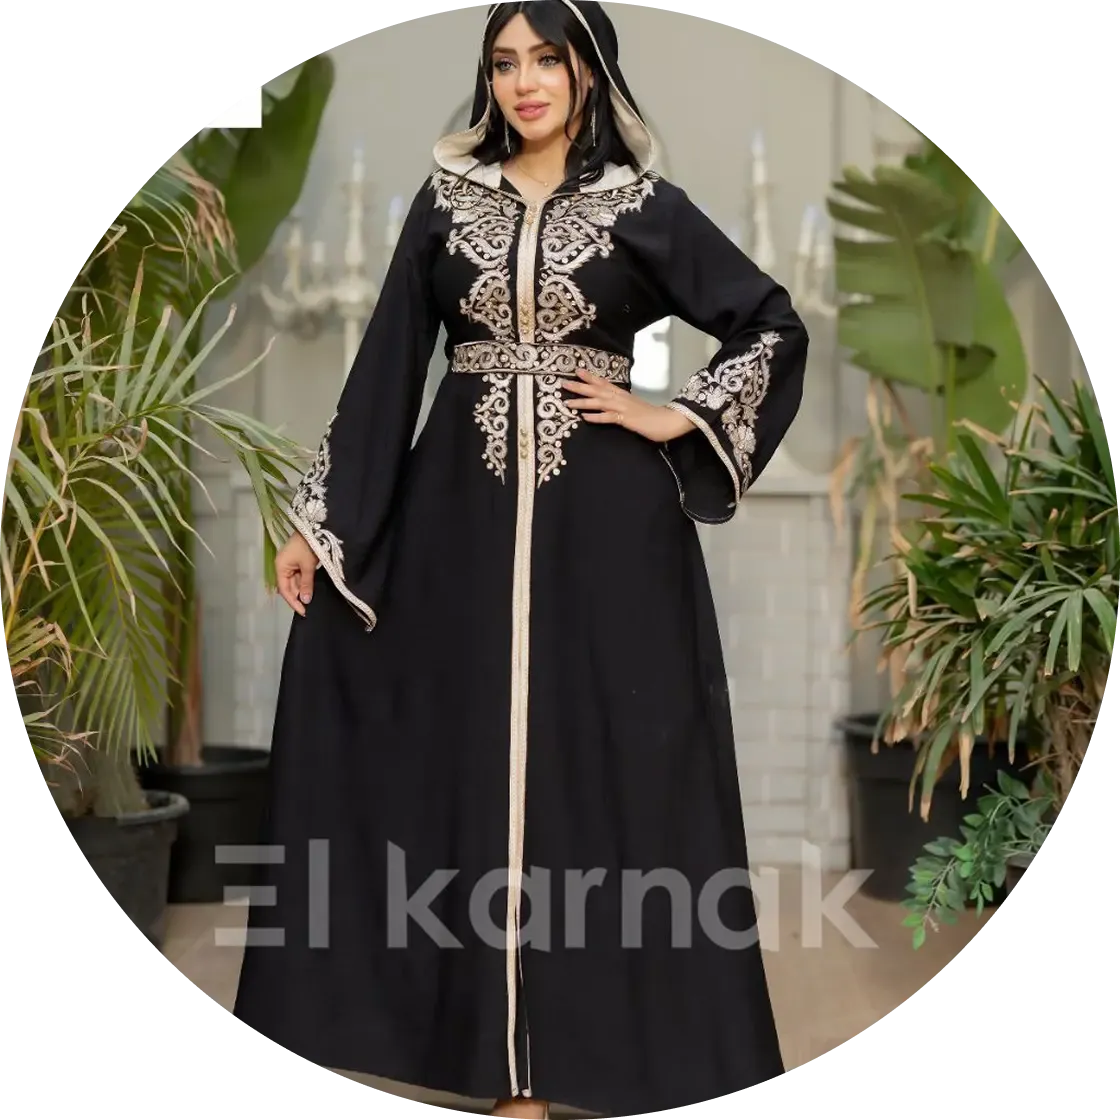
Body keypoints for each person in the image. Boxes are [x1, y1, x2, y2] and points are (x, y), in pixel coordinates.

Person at [231, 1, 809, 1115]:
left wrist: (674, 414)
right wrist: (318, 521)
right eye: (504, 62)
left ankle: (567, 1060)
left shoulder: (642, 205)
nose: (524, 81)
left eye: (547, 58)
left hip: (612, 539)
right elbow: (388, 367)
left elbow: (771, 323)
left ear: (589, 72)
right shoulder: (448, 203)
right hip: (457, 526)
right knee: (457, 763)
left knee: (604, 776)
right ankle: (493, 1068)